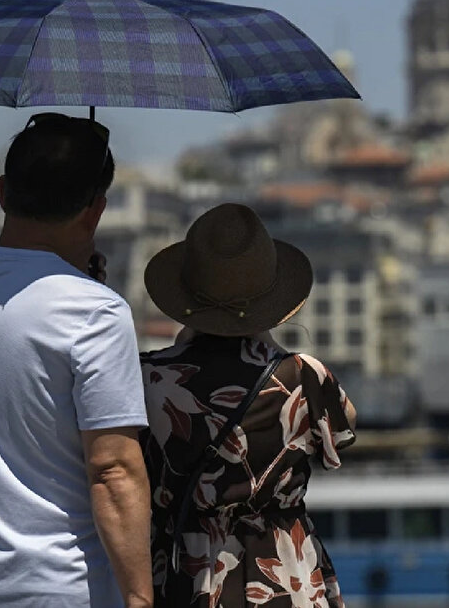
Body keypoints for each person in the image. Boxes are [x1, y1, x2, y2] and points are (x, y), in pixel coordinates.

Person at [0, 113, 153, 608]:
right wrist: (140, 598)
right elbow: (112, 470)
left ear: (3, 192)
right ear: (95, 211)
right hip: (61, 589)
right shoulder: (95, 312)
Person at [139, 203, 356, 608]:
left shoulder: (148, 377)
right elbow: (343, 429)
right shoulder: (304, 376)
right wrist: (267, 344)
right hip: (284, 572)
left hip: (185, 571)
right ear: (270, 305)